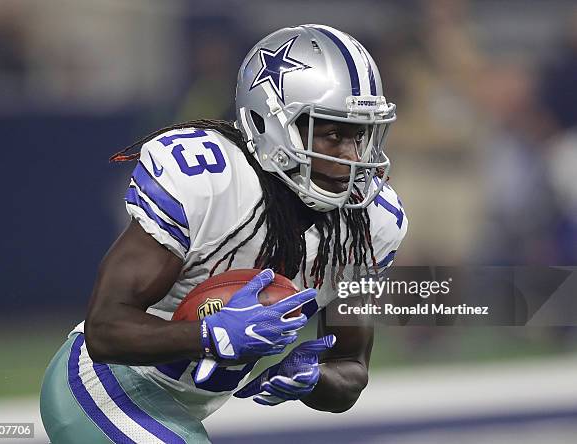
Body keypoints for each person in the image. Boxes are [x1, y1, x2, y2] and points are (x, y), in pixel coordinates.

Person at [40, 24, 407, 443]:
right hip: (102, 386)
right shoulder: (209, 180)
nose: (353, 157)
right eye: (332, 134)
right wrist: (208, 335)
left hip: (175, 412)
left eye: (360, 134)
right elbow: (104, 330)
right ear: (268, 123)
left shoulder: (368, 225)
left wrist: (313, 378)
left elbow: (351, 367)